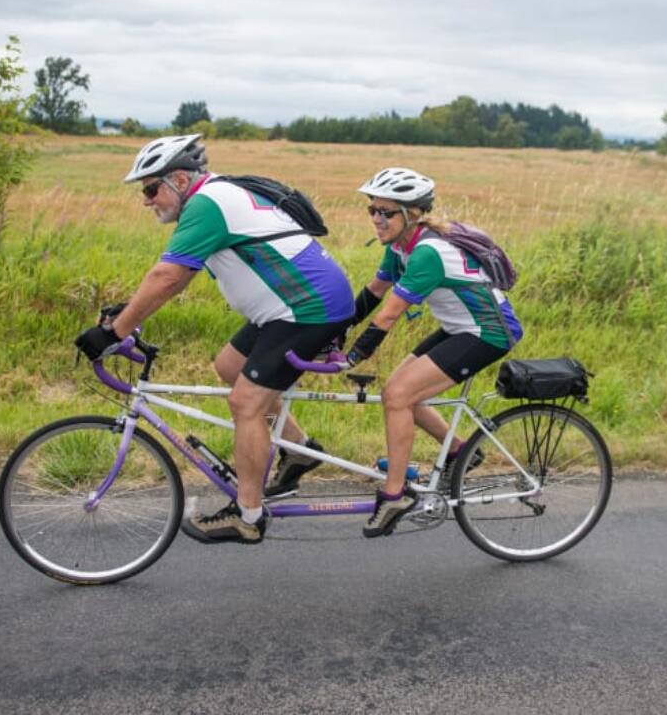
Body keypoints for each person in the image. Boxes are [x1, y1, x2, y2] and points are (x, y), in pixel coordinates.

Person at [75, 134, 354, 545]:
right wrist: (126, 312)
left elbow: (169, 277)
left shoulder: (208, 204)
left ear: (181, 180)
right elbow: (173, 274)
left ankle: (248, 515)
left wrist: (112, 333)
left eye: (152, 189)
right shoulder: (217, 195)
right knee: (229, 365)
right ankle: (297, 447)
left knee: (245, 402)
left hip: (307, 309)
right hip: (289, 306)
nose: (146, 200)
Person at [340, 167, 524, 537]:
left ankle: (394, 496)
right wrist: (334, 331)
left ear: (412, 214)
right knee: (399, 390)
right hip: (460, 327)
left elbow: (388, 316)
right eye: (372, 210)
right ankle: (461, 452)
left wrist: (350, 357)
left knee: (397, 395)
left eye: (386, 212)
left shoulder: (427, 253)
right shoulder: (399, 247)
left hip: (488, 332)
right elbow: (372, 294)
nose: (376, 218)